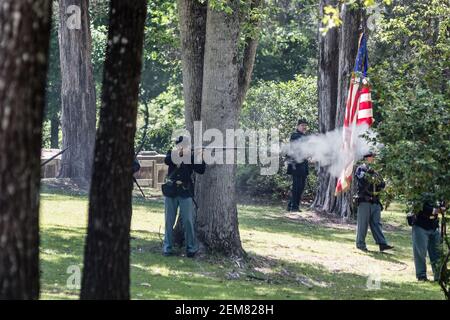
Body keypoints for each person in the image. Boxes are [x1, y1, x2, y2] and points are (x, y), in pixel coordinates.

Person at [163, 136, 206, 257]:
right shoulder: (172, 153)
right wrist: (180, 154)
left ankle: (191, 248)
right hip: (171, 191)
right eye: (179, 145)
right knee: (168, 221)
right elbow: (167, 160)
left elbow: (201, 170)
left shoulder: (190, 157)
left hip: (185, 191)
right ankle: (167, 247)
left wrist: (200, 157)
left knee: (188, 221)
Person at [355, 152, 393, 252]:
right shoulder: (361, 169)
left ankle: (382, 244)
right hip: (365, 200)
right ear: (366, 158)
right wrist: (370, 174)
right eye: (372, 157)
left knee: (377, 224)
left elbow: (382, 184)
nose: (373, 159)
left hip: (375, 201)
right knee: (363, 224)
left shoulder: (376, 171)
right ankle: (360, 244)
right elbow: (362, 180)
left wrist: (378, 179)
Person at [411, 200, 442, 281]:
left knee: (437, 252)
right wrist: (435, 210)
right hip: (420, 224)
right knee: (420, 252)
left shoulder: (437, 189)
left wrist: (443, 207)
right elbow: (419, 205)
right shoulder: (418, 190)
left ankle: (439, 276)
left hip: (434, 225)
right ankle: (421, 276)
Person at [286, 119, 309, 212]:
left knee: (301, 186)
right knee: (297, 187)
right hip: (296, 165)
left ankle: (291, 205)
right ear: (298, 126)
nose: (304, 127)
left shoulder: (304, 136)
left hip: (303, 165)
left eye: (305, 125)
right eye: (302, 125)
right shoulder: (295, 135)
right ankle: (294, 207)